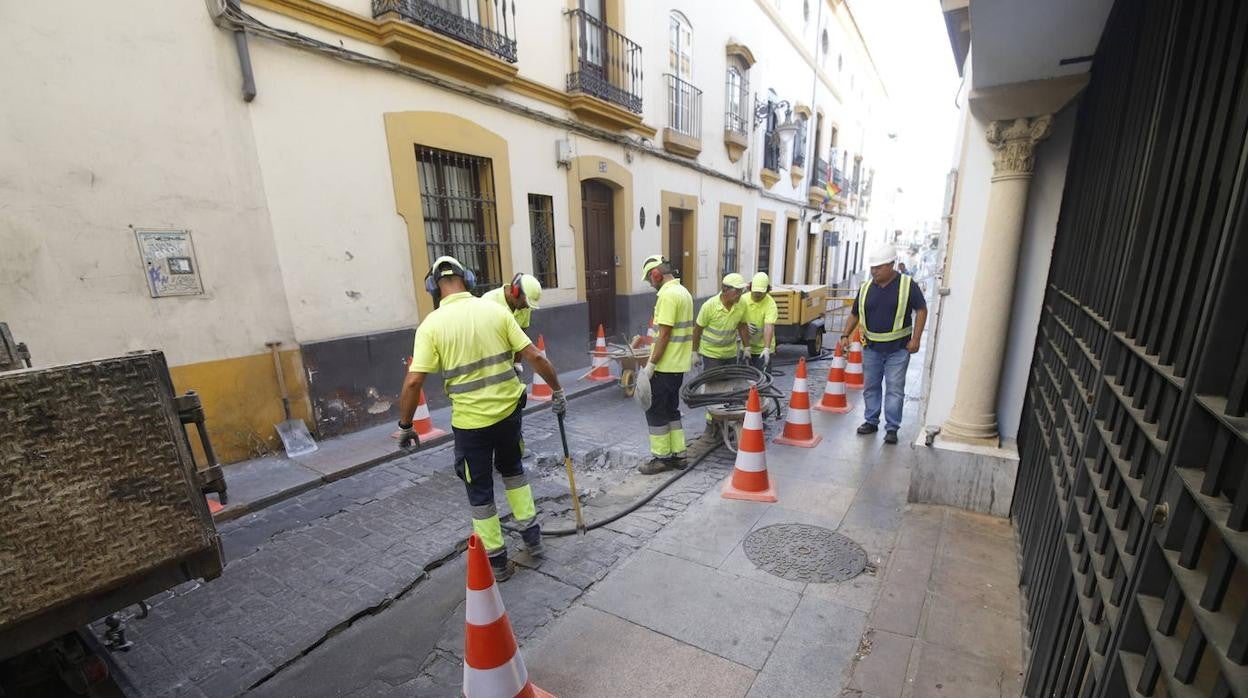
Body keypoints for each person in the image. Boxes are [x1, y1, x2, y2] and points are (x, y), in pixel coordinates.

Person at [397, 256, 567, 581]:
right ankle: (533, 539)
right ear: (469, 280)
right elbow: (535, 356)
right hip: (507, 414)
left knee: (480, 490)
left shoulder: (431, 326)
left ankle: (498, 561)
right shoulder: (497, 311)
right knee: (514, 472)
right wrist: (558, 392)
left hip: (471, 424)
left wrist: (406, 426)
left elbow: (413, 381)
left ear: (433, 287)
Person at [839, 245, 927, 445]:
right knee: (871, 387)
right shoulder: (866, 287)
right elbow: (855, 313)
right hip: (872, 348)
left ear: (891, 265)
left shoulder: (907, 285)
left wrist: (916, 339)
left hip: (898, 349)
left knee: (895, 389)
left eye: (878, 267)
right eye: (872, 268)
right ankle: (871, 421)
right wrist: (845, 334)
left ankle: (892, 428)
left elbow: (921, 310)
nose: (874, 271)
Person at [637, 254, 694, 474]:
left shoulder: (668, 296)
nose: (650, 284)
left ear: (656, 274)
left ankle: (661, 458)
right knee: (671, 410)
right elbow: (663, 332)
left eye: (650, 280)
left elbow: (665, 334)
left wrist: (651, 365)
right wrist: (644, 340)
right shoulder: (684, 293)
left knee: (655, 411)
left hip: (664, 367)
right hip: (677, 366)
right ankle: (678, 455)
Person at [692, 273, 751, 440]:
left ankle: (729, 421)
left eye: (741, 291)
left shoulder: (741, 305)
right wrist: (694, 352)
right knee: (713, 390)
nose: (740, 294)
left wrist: (747, 347)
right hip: (711, 354)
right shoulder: (709, 306)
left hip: (730, 353)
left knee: (730, 387)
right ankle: (712, 425)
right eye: (737, 291)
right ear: (725, 290)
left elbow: (742, 326)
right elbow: (697, 330)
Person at [483, 273, 543, 374]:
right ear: (515, 292)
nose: (527, 307)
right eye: (526, 303)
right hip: (488, 367)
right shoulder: (488, 302)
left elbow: (522, 334)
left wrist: (517, 362)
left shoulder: (524, 307)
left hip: (508, 366)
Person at [741, 272, 779, 371]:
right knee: (744, 379)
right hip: (745, 346)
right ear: (750, 288)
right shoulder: (743, 300)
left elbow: (768, 326)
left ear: (767, 291)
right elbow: (735, 320)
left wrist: (767, 349)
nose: (757, 295)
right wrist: (744, 326)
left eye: (760, 294)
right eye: (755, 292)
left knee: (763, 380)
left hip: (762, 348)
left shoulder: (770, 304)